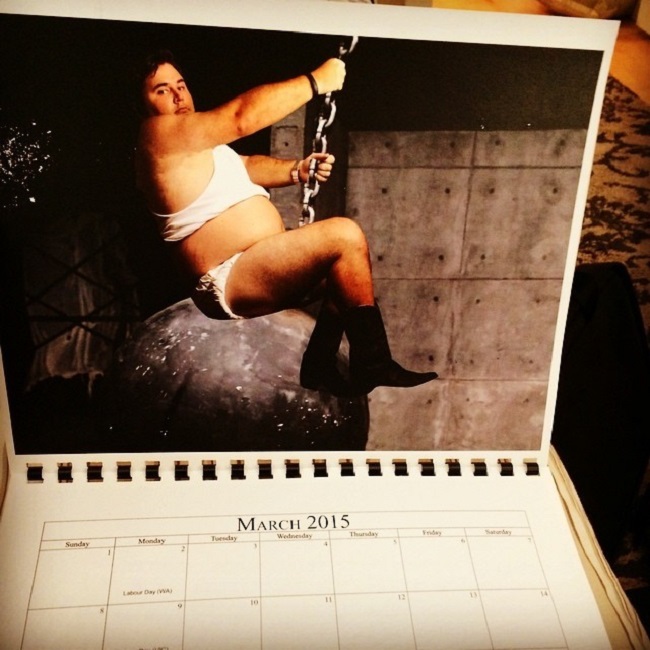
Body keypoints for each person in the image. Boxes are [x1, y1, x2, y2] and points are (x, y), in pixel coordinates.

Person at [134, 50, 437, 396]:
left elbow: (246, 165)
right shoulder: (157, 133)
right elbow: (240, 117)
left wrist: (297, 169)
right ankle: (373, 363)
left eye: (181, 85)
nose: (178, 96)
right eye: (162, 90)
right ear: (142, 106)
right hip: (226, 276)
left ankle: (320, 364)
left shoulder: (196, 147)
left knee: (346, 276)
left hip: (252, 264)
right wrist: (316, 82)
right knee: (344, 235)